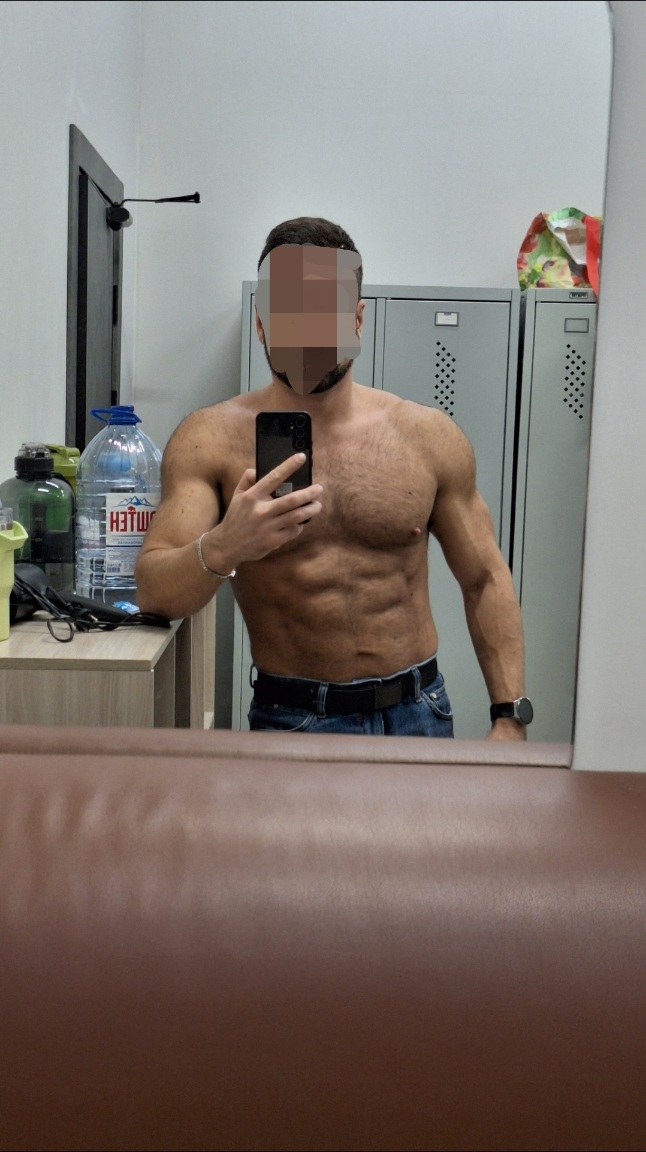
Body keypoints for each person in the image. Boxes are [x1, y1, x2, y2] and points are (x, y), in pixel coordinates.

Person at [135, 216, 531, 739]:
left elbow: (484, 579)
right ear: (262, 325)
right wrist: (228, 544)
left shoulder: (426, 436)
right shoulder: (209, 440)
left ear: (357, 320)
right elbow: (154, 591)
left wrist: (510, 714)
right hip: (292, 717)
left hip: (418, 712)